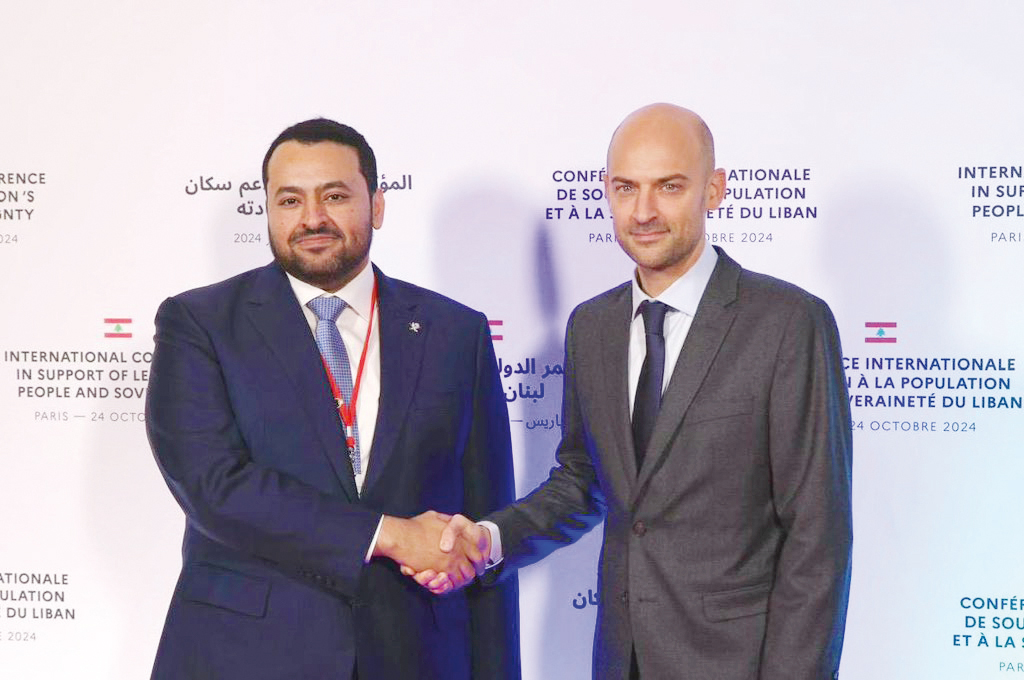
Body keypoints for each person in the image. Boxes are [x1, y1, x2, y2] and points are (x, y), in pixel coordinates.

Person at [418, 104, 853, 680]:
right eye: (626, 188)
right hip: (620, 660)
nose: (643, 211)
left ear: (714, 190)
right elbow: (582, 481)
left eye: (669, 187)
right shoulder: (592, 325)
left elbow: (817, 535)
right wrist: (489, 539)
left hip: (738, 664)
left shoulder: (787, 322)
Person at [145, 118, 519, 680]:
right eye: (289, 200)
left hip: (416, 656)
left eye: (335, 196)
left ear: (377, 205)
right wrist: (391, 535)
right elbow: (213, 486)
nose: (312, 218)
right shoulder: (200, 323)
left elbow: (485, 520)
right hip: (244, 657)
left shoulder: (455, 332)